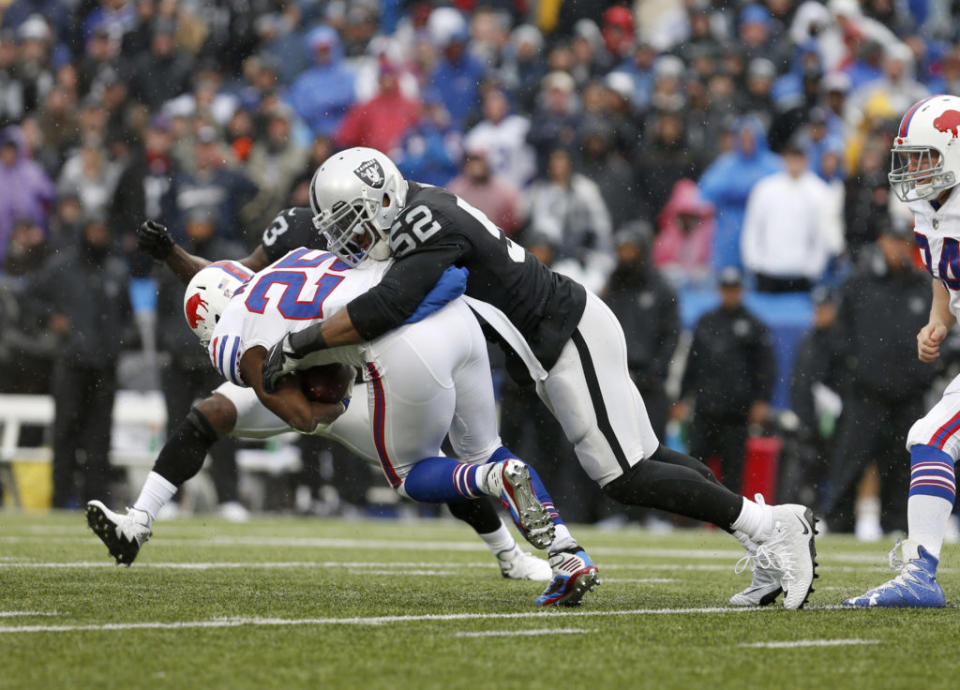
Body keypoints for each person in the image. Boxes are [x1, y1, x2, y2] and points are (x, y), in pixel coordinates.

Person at [264, 147, 820, 610]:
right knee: (649, 460)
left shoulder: (422, 221)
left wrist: (299, 342)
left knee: (624, 476)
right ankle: (765, 536)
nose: (351, 240)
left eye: (353, 222)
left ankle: (772, 526)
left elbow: (387, 305)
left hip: (563, 332)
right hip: (550, 342)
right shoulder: (415, 209)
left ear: (383, 199)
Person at [87, 207, 553, 584]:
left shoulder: (238, 324)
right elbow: (235, 278)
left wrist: (330, 394)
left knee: (421, 465)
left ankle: (509, 554)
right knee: (210, 413)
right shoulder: (296, 244)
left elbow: (303, 413)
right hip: (326, 349)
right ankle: (139, 521)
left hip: (362, 373)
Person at [846, 94, 960, 607]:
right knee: (931, 438)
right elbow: (944, 278)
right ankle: (920, 572)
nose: (912, 169)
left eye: (924, 157)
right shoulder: (928, 208)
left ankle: (920, 575)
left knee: (931, 435)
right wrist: (938, 320)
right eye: (908, 157)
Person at [28, 215, 134, 507]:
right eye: (93, 230)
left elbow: (129, 319)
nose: (98, 236)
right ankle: (60, 499)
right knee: (64, 432)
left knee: (100, 438)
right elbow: (31, 296)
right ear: (83, 231)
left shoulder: (116, 271)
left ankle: (96, 501)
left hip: (104, 367)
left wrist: (118, 340)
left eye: (103, 230)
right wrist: (51, 319)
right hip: (71, 364)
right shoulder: (61, 267)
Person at [676, 267, 776, 494]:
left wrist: (762, 400)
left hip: (736, 413)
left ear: (742, 290)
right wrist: (683, 397)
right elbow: (693, 362)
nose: (730, 294)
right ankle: (692, 520)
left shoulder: (754, 325)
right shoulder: (706, 321)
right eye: (726, 288)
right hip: (705, 409)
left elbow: (765, 368)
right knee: (696, 469)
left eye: (734, 289)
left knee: (733, 472)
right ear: (720, 290)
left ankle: (730, 523)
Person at [740, 143, 837, 293]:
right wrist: (754, 263)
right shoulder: (765, 189)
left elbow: (821, 234)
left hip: (801, 273)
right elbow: (753, 228)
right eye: (791, 159)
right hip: (768, 270)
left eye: (798, 159)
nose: (794, 164)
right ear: (784, 160)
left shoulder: (819, 192)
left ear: (806, 161)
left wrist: (814, 268)